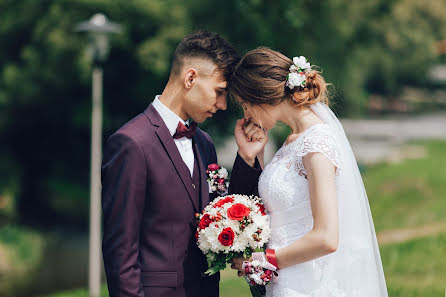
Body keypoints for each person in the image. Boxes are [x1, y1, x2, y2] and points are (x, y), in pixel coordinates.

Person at [228, 47, 388, 296]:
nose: (246, 115)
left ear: (260, 95)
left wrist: (262, 260)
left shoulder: (317, 143)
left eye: (245, 105)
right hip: (286, 280)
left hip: (308, 283)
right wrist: (253, 155)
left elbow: (326, 238)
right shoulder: (293, 140)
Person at [101, 30, 246, 297]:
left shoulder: (205, 143)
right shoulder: (131, 143)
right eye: (220, 92)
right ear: (190, 77)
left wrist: (247, 156)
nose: (223, 105)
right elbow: (120, 252)